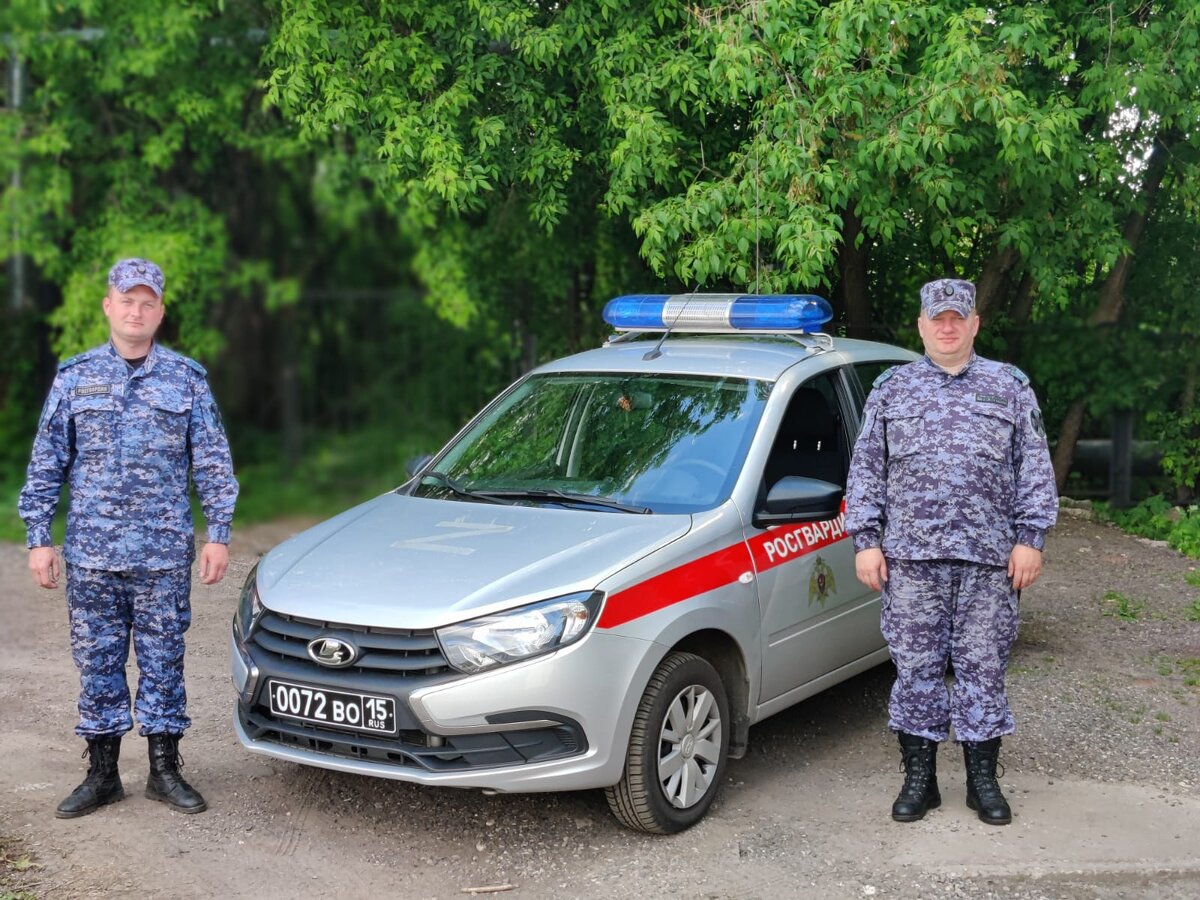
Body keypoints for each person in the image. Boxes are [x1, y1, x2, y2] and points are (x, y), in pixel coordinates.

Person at [19, 258, 238, 818]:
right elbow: (48, 462)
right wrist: (39, 537)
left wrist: (218, 532)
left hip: (162, 555)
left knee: (165, 661)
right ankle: (102, 774)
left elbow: (211, 461)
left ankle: (165, 771)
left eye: (148, 302)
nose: (136, 310)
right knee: (97, 662)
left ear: (160, 311)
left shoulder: (186, 379)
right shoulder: (75, 377)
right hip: (91, 554)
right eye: (127, 300)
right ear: (108, 306)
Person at [845, 277, 1058, 826]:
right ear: (921, 326)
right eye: (937, 318)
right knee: (915, 669)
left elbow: (1034, 467)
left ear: (973, 324)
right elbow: (866, 470)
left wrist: (1030, 539)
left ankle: (983, 782)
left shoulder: (1008, 386)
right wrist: (866, 542)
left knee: (983, 669)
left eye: (956, 318)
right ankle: (921, 781)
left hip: (990, 561)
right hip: (911, 561)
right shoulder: (892, 389)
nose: (947, 327)